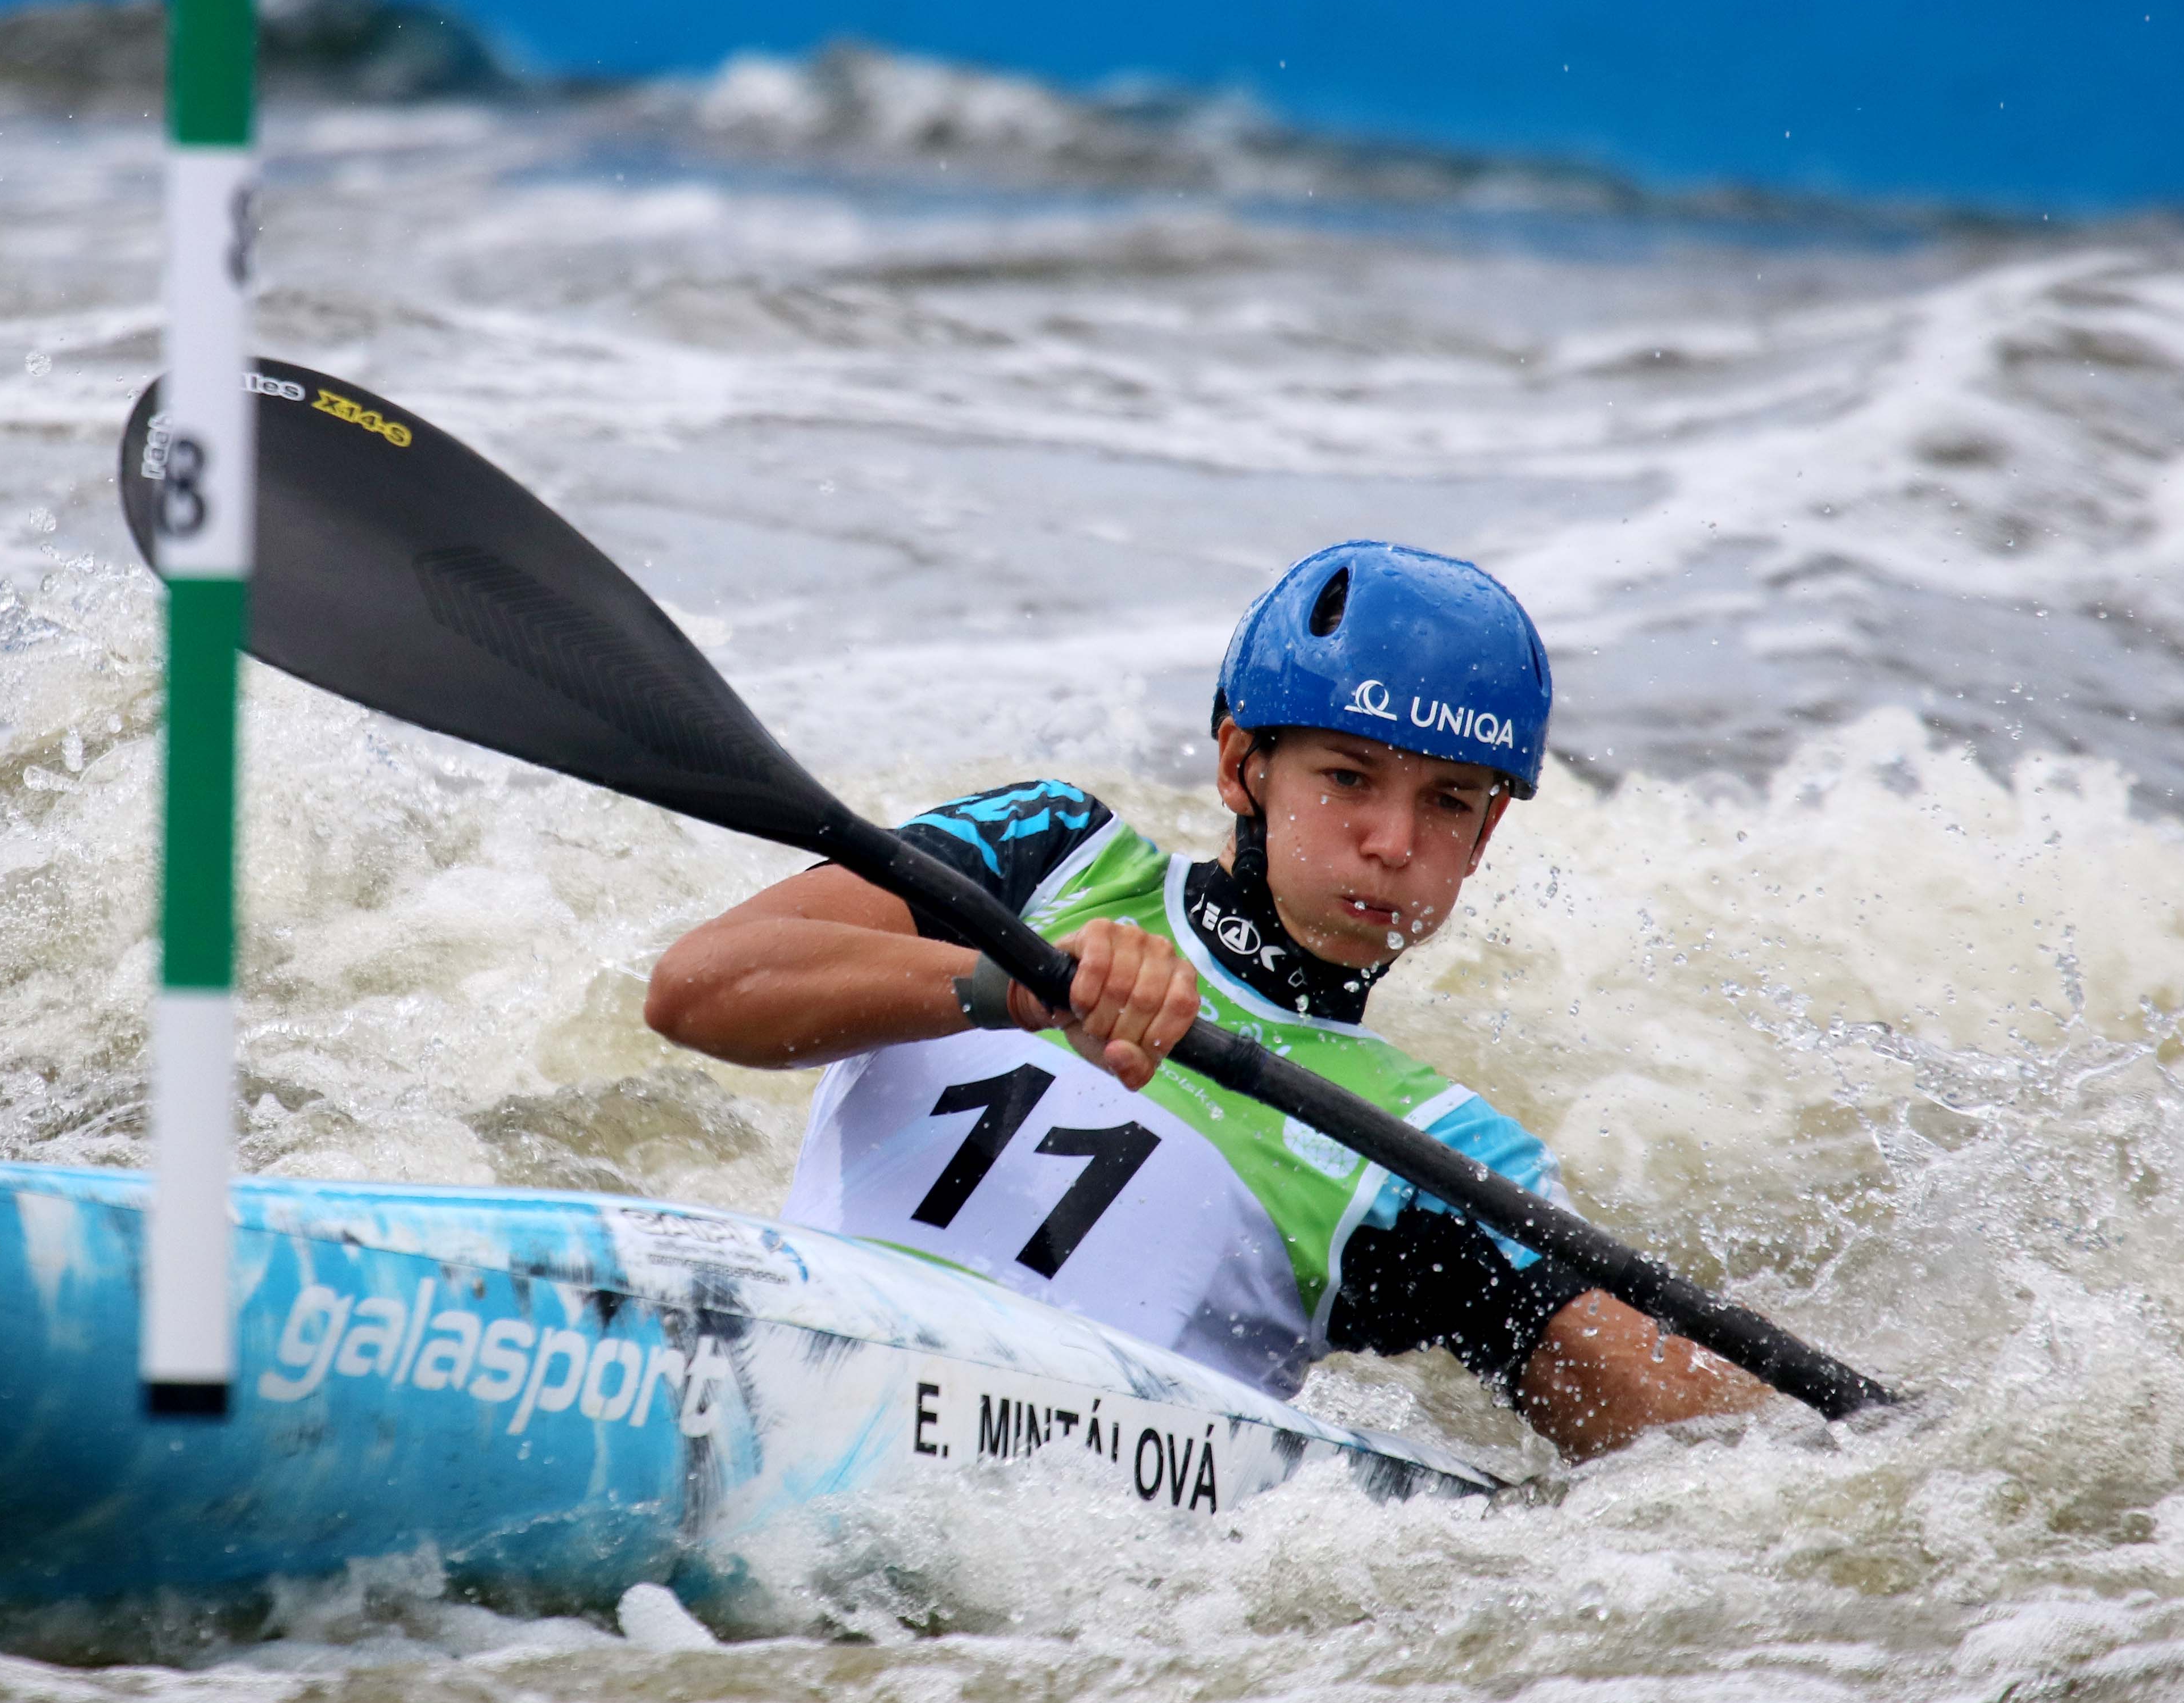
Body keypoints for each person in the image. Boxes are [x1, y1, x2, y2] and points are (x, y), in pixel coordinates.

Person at [642, 542, 1769, 1460]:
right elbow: (697, 990)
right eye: (1348, 777)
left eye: (1448, 802)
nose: (1393, 841)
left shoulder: (1428, 1149)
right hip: (785, 1353)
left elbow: (1700, 1463)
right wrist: (1013, 985)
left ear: (1485, 837)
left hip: (1044, 1516)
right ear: (1241, 766)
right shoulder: (1048, 855)